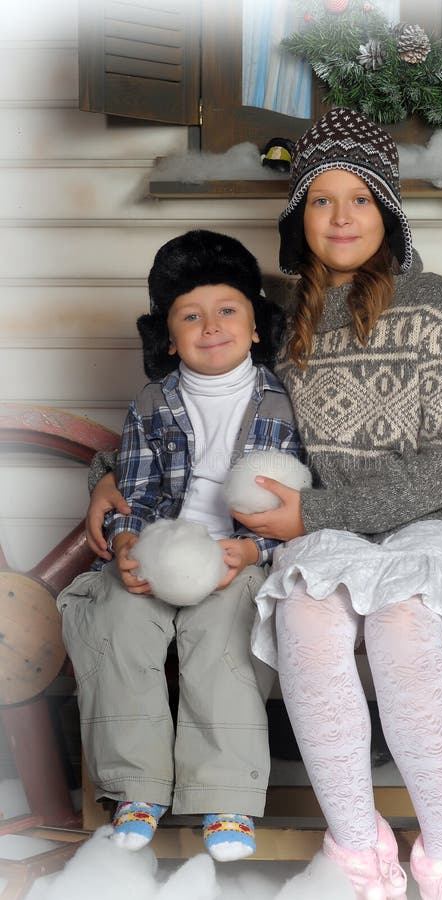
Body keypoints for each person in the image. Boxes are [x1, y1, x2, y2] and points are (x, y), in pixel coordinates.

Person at [86, 111, 442, 899]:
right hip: (334, 529)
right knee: (308, 615)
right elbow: (199, 404)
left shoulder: (435, 302)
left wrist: (310, 517)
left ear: (387, 213)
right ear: (296, 217)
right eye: (319, 199)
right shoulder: (278, 320)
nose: (340, 217)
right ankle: (356, 852)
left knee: (400, 622)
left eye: (361, 198)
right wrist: (104, 475)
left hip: (439, 521)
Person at [57, 230, 302, 862]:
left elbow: (296, 500)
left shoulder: (281, 400)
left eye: (228, 310)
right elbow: (132, 492)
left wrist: (252, 552)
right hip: (165, 545)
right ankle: (136, 787)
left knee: (223, 642)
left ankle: (225, 794)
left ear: (255, 328)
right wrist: (128, 543)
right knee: (117, 620)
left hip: (237, 556)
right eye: (190, 316)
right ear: (168, 338)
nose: (210, 325)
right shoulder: (151, 403)